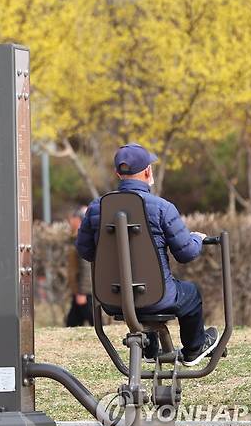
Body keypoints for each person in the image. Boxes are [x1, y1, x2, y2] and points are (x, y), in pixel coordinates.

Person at [75, 143, 218, 366]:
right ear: (148, 171)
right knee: (190, 293)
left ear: (117, 173)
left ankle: (150, 348)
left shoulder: (96, 208)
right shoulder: (162, 207)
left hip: (112, 299)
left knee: (146, 292)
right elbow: (187, 253)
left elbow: (85, 250)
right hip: (159, 298)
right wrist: (197, 239)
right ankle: (194, 348)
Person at [65, 206, 94, 327]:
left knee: (91, 318)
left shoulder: (82, 240)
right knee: (73, 321)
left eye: (73, 218)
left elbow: (86, 268)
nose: (70, 221)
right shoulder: (75, 238)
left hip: (84, 291)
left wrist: (82, 292)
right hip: (78, 289)